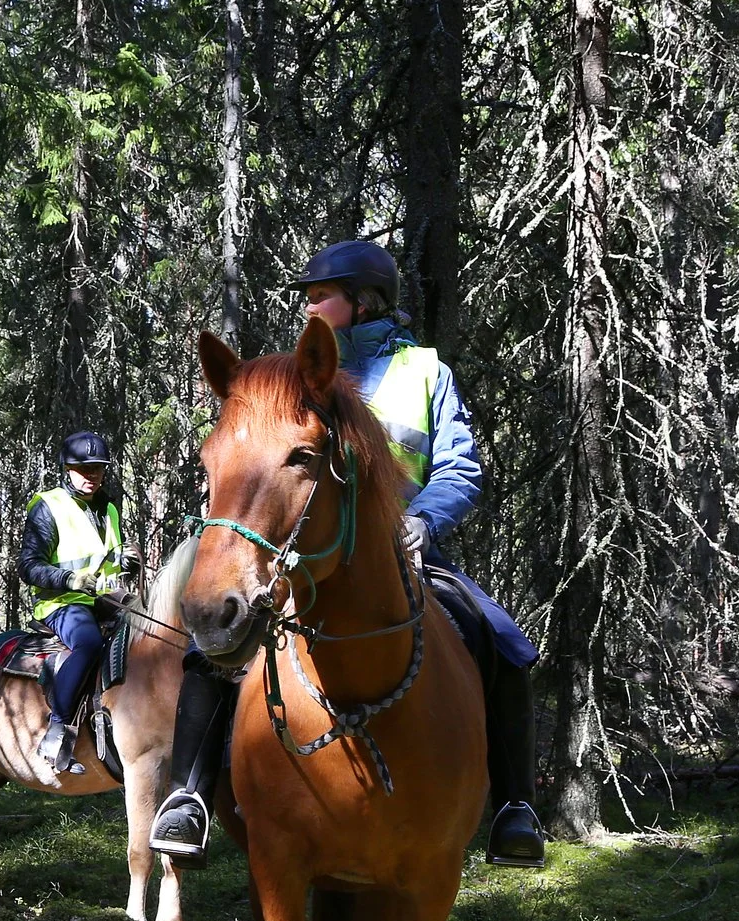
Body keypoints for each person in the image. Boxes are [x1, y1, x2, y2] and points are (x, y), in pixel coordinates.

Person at [149, 240, 548, 868]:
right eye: (308, 296)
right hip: (305, 557)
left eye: (320, 295)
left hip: (405, 551)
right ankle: (189, 796)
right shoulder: (292, 377)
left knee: (501, 641)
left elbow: (459, 467)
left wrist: (425, 519)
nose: (309, 305)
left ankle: (514, 808)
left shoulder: (425, 373)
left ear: (364, 301)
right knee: (214, 649)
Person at [17, 431, 138, 777]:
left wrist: (124, 560)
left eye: (97, 468)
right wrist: (69, 579)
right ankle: (57, 730)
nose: (91, 475)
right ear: (67, 469)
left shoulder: (109, 508)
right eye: (82, 468)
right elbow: (28, 565)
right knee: (88, 645)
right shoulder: (49, 506)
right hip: (62, 602)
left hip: (107, 601)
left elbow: (106, 557)